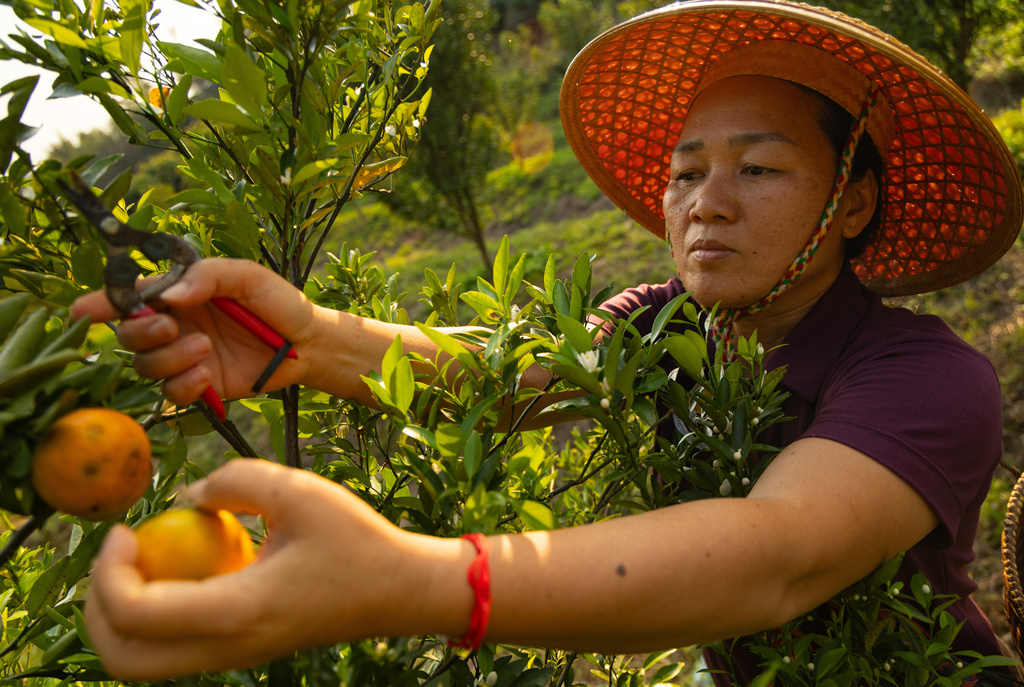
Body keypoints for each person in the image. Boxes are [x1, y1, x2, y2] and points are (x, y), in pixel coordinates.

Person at [72, 0, 1024, 683]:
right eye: (685, 172)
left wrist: (422, 581)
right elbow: (502, 372)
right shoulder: (662, 328)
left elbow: (777, 554)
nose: (707, 203)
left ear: (852, 201)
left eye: (760, 167)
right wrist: (306, 340)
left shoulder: (928, 376)